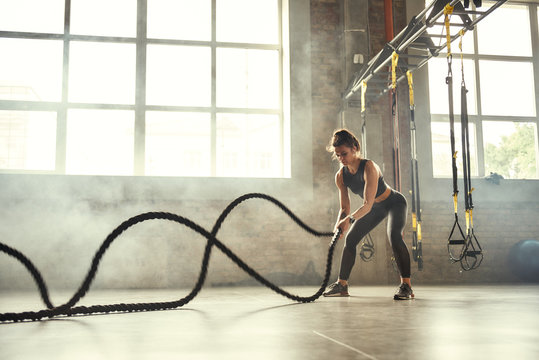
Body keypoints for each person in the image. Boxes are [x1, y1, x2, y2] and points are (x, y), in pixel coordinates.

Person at [323, 129, 414, 300]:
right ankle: (342, 285)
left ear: (355, 148)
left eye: (344, 154)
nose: (341, 159)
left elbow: (367, 204)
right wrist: (339, 224)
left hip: (394, 203)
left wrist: (348, 220)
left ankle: (406, 286)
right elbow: (344, 208)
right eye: (338, 155)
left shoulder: (369, 167)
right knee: (350, 239)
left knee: (394, 236)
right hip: (374, 208)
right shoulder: (340, 176)